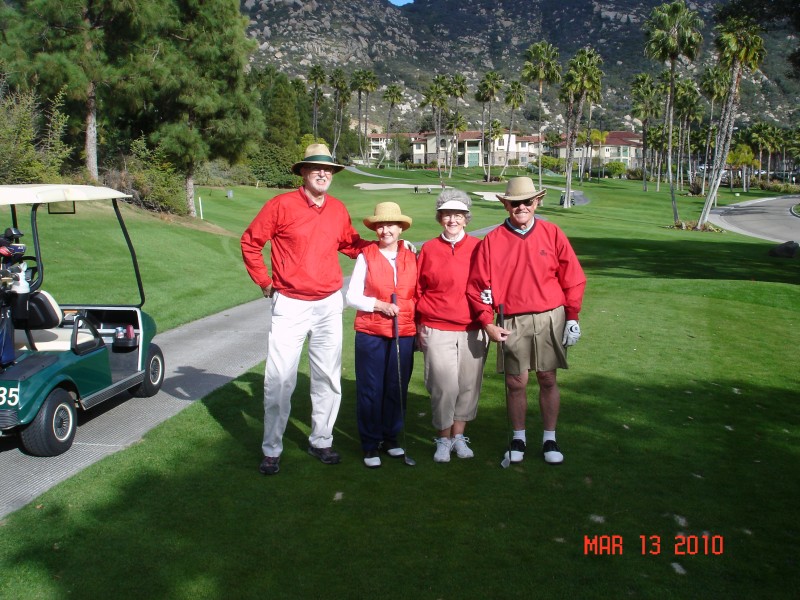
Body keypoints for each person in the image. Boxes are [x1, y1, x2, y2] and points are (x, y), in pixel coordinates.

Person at [241, 143, 370, 476]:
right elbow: (251, 242)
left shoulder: (338, 209)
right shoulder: (281, 205)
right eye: (316, 168)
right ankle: (271, 448)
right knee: (279, 379)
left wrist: (383, 247)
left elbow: (350, 244)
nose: (323, 173)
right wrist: (264, 282)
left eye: (328, 169)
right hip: (291, 303)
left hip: (328, 303)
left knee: (327, 377)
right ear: (303, 172)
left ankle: (321, 440)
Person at [467, 177, 586, 465]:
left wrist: (572, 316)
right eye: (515, 203)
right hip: (512, 318)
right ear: (506, 205)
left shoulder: (552, 232)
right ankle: (518, 436)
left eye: (527, 202)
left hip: (550, 315)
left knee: (547, 377)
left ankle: (549, 438)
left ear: (537, 202)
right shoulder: (493, 240)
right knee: (516, 381)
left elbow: (572, 278)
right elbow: (477, 286)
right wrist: (487, 322)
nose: (521, 207)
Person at [416, 190, 487, 462]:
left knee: (468, 385)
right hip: (436, 326)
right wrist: (420, 324)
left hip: (473, 327)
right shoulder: (429, 249)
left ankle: (459, 436)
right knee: (443, 386)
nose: (453, 219)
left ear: (466, 218)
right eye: (447, 214)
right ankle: (443, 439)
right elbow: (419, 288)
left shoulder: (479, 247)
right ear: (439, 218)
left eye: (458, 214)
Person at [346, 202, 417, 468]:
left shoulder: (412, 256)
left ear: (401, 228)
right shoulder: (367, 255)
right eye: (381, 225)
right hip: (371, 331)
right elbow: (352, 296)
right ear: (376, 229)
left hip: (404, 331)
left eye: (391, 225)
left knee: (397, 387)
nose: (386, 229)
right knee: (371, 389)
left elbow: (418, 294)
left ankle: (391, 439)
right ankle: (370, 443)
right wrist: (380, 305)